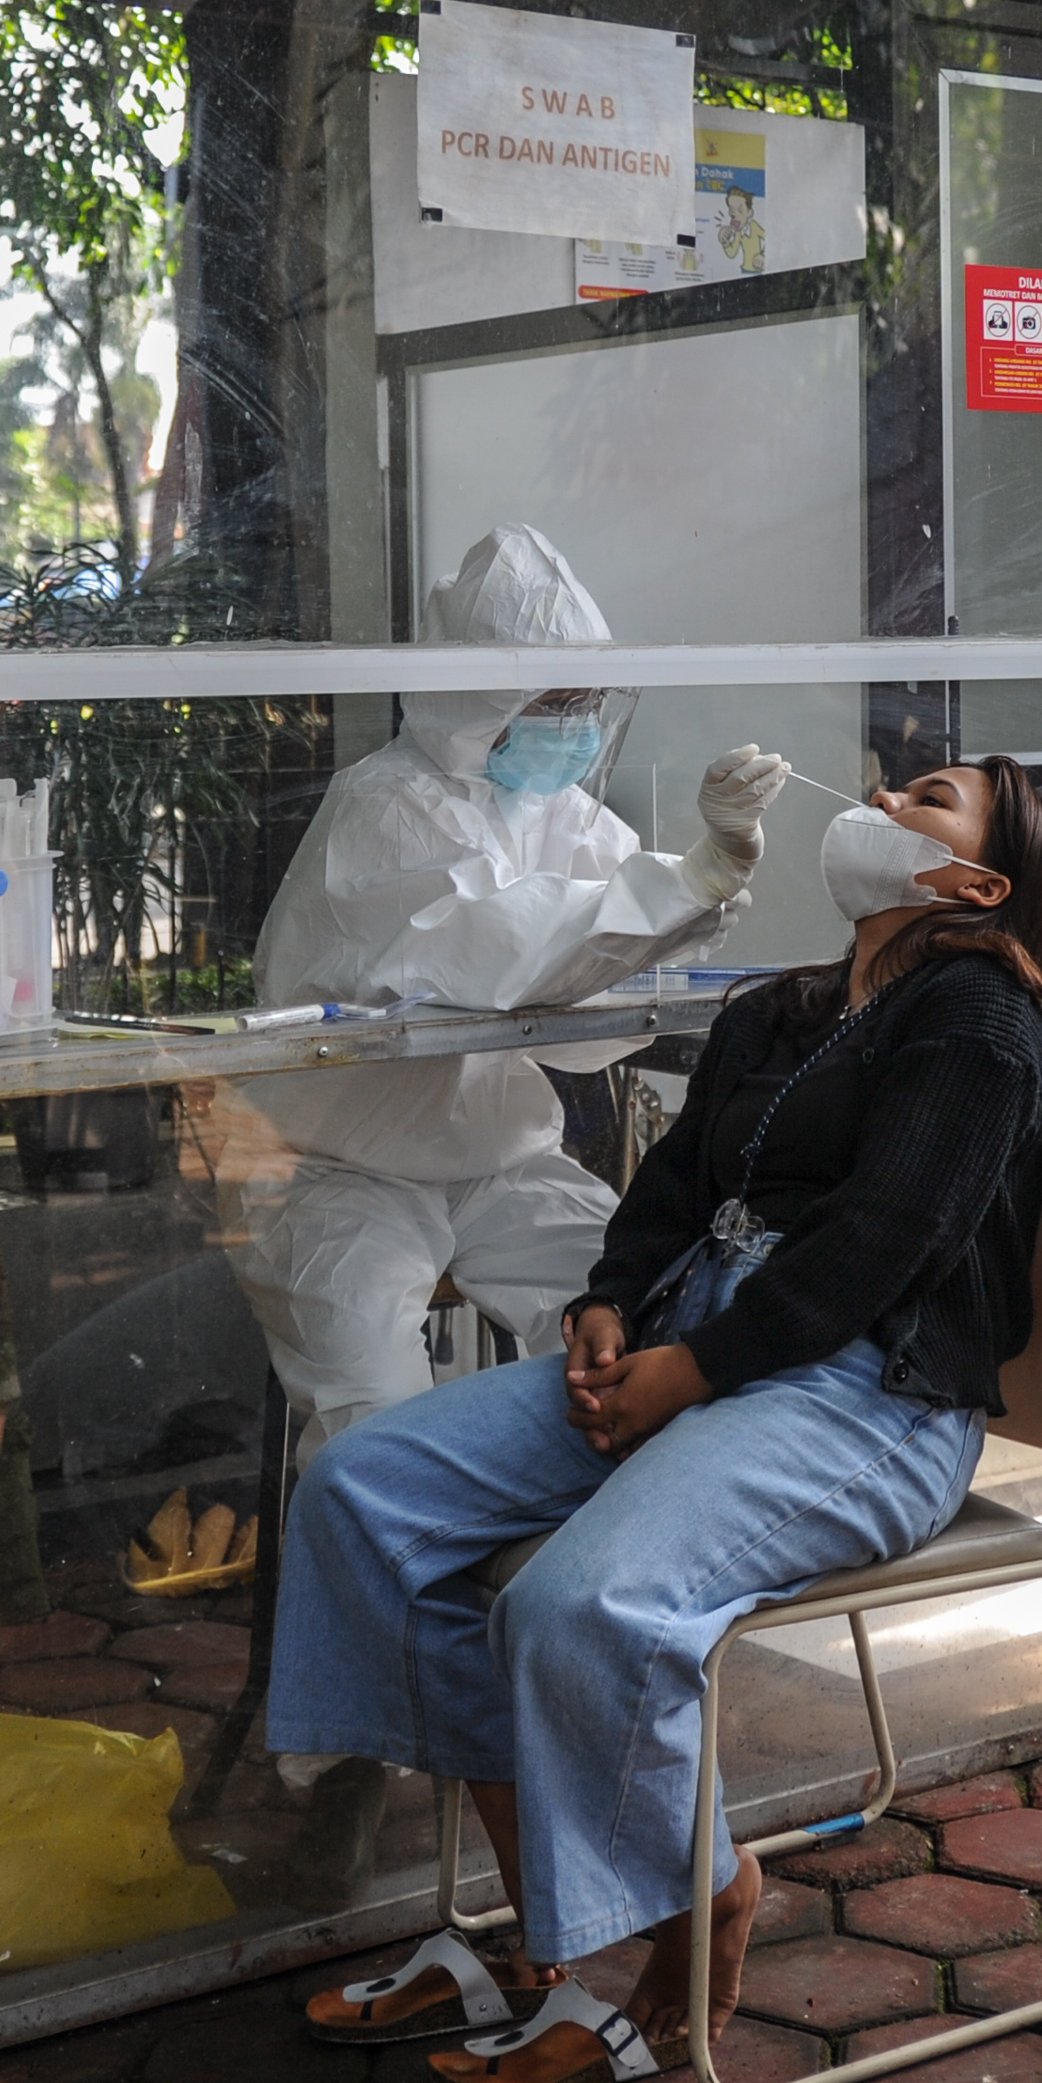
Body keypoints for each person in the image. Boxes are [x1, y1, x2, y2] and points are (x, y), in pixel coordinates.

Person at [265, 754, 1042, 2083]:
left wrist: (696, 1370)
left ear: (977, 884)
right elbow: (667, 1188)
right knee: (362, 1493)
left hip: (866, 1399)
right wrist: (609, 1305)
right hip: (694, 1350)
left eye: (928, 799)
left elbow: (886, 1238)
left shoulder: (982, 1016)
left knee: (576, 1605)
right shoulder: (781, 1008)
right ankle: (554, 1930)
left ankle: (697, 1900)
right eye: (892, 785)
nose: (883, 800)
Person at [233, 523, 789, 1447]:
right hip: (337, 1173)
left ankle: (586, 1535)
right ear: (480, 695)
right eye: (554, 699)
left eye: (587, 700)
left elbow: (599, 988)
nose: (574, 723)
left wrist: (704, 892)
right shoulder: (385, 807)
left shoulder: (558, 812)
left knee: (650, 1327)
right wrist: (687, 884)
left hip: (500, 1163)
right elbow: (498, 949)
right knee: (377, 1423)